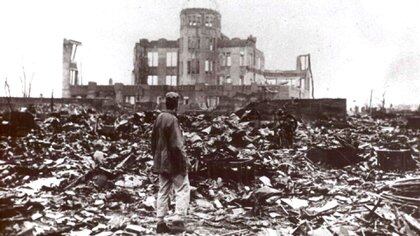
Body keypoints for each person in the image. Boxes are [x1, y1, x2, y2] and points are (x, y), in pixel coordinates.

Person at [151, 92, 190, 234]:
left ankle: (160, 221)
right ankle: (178, 220)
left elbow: (153, 141)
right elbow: (177, 146)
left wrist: (156, 159)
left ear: (166, 103)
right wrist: (184, 162)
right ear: (177, 104)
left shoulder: (159, 118)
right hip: (173, 162)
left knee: (163, 190)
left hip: (161, 162)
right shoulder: (173, 120)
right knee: (183, 188)